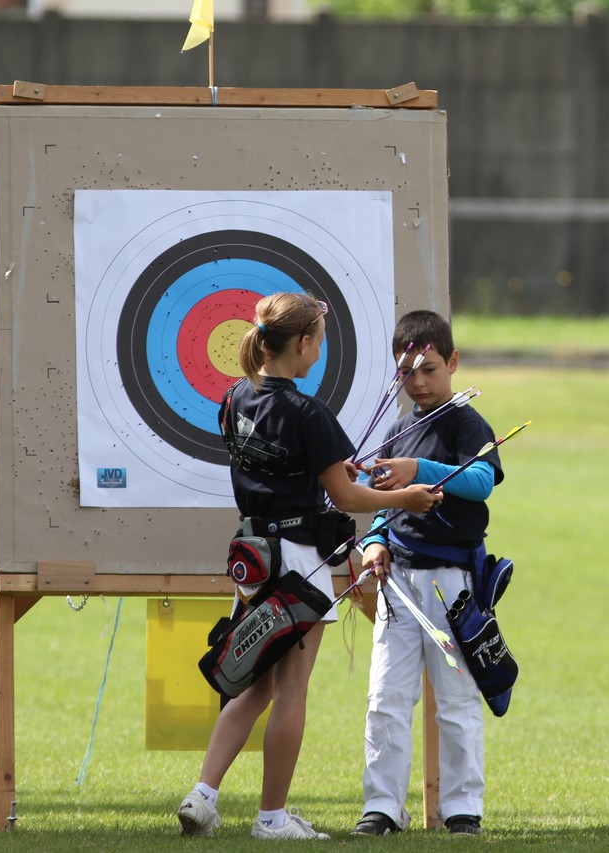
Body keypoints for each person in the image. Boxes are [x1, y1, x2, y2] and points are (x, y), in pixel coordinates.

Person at [176, 292, 443, 841]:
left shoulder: (234, 398)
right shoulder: (307, 411)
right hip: (299, 563)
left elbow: (287, 470)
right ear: (300, 343)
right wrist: (404, 499)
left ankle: (203, 795)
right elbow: (346, 498)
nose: (318, 353)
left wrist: (326, 471)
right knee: (290, 689)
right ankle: (272, 818)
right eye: (317, 342)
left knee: (254, 685)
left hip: (253, 559)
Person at [350, 309, 503, 837]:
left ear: (453, 363)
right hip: (397, 585)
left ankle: (462, 810)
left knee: (457, 700)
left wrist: (420, 471)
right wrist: (372, 543)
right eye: (407, 372)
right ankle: (383, 808)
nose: (418, 382)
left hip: (452, 583)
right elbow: (379, 505)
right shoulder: (397, 429)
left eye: (430, 369)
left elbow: (481, 480)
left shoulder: (467, 423)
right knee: (385, 698)